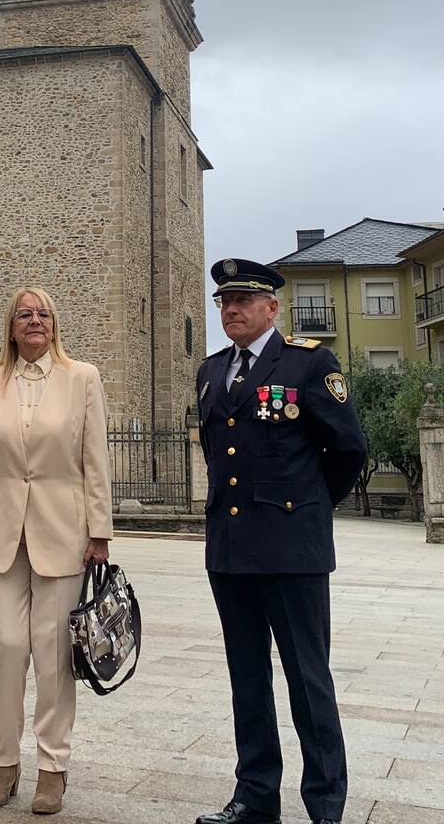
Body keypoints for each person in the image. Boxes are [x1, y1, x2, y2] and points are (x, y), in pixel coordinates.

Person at [194, 259, 367, 824]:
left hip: (293, 550)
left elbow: (347, 451)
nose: (231, 309)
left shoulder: (309, 363)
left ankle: (325, 805)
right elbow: (218, 456)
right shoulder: (211, 370)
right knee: (247, 678)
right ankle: (255, 795)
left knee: (307, 680)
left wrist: (308, 512)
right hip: (231, 549)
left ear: (272, 307)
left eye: (243, 299)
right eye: (224, 301)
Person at [0, 287, 111, 816]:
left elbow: (95, 459)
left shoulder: (82, 378)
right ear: (10, 326)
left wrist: (100, 531)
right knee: (6, 648)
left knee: (53, 655)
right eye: (24, 314)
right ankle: (3, 762)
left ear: (55, 324)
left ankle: (52, 768)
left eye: (43, 314)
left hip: (64, 532)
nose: (34, 321)